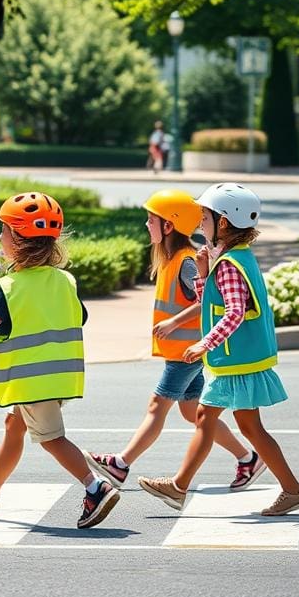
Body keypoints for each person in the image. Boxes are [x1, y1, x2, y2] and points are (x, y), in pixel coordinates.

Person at [137, 183, 299, 517]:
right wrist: (203, 275)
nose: (199, 224)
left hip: (234, 359)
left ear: (222, 223)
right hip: (238, 358)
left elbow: (233, 311)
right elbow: (212, 304)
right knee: (246, 427)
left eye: (204, 217)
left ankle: (178, 487)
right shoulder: (235, 258)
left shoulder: (231, 264)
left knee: (213, 419)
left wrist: (204, 342)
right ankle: (292, 490)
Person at [0, 192, 120, 529]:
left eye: (3, 232)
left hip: (32, 378)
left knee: (51, 438)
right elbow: (81, 316)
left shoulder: (7, 285)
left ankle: (95, 487)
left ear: (17, 238)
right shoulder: (65, 280)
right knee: (13, 426)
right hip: (58, 375)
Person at [83, 189, 264, 490]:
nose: (146, 225)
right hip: (182, 349)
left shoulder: (186, 261)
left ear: (169, 225)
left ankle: (120, 464)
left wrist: (174, 321)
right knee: (192, 411)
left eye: (151, 220)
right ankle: (247, 459)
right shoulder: (172, 259)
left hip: (188, 350)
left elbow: (206, 301)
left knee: (158, 405)